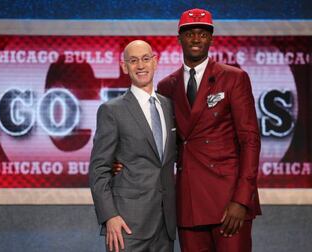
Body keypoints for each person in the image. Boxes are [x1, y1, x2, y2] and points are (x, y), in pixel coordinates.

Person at [157, 8, 262, 252]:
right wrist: (124, 161)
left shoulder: (233, 78)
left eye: (202, 33)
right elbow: (162, 143)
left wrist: (241, 200)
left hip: (228, 200)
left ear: (211, 38)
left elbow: (250, 140)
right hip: (189, 201)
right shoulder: (166, 86)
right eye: (190, 33)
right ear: (179, 38)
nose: (196, 38)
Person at [89, 40, 177, 252]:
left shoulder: (168, 106)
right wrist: (109, 216)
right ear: (124, 66)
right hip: (127, 225)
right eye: (133, 60)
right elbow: (98, 169)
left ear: (155, 62)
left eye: (146, 59)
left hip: (166, 224)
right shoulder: (112, 110)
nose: (141, 65)